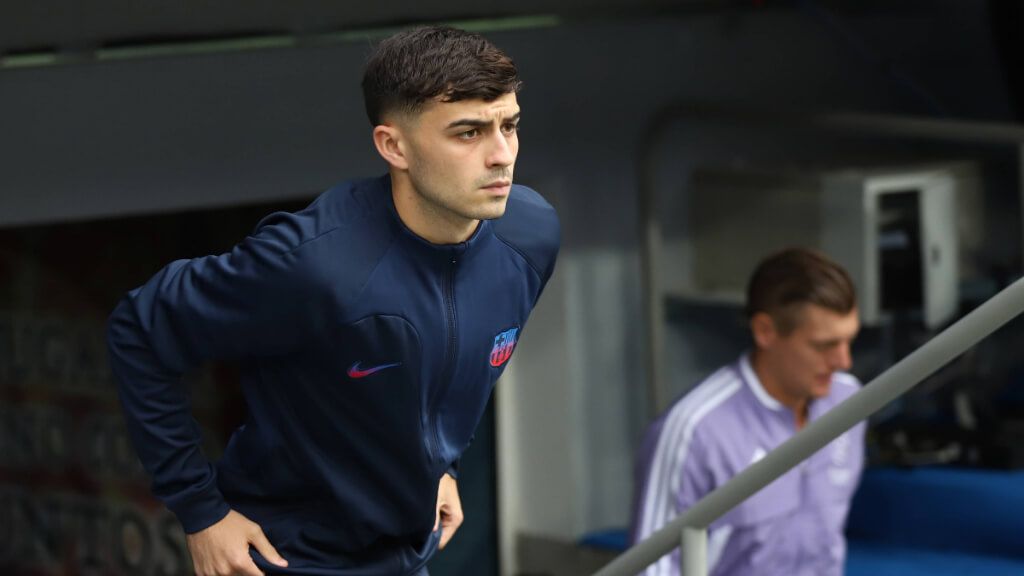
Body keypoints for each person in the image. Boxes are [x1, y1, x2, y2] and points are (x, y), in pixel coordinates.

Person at [107, 26, 559, 576]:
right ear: (394, 146)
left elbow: (457, 361)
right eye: (468, 133)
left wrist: (442, 464)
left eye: (508, 126)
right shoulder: (314, 264)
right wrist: (201, 511)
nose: (501, 155)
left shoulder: (529, 234)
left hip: (410, 549)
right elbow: (138, 329)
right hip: (286, 556)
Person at [631, 248, 864, 576]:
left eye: (849, 341)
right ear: (765, 331)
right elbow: (652, 569)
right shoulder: (693, 430)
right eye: (825, 345)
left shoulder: (848, 400)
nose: (843, 361)